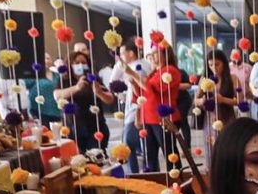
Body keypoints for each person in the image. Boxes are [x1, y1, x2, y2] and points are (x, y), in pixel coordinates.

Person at [128, 43, 182, 172]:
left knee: (170, 154)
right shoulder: (154, 72)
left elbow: (153, 90)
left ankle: (177, 181)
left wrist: (134, 75)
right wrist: (138, 116)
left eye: (155, 53)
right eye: (150, 54)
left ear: (166, 54)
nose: (151, 56)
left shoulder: (170, 71)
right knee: (149, 155)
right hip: (148, 118)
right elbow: (141, 95)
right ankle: (153, 182)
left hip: (163, 119)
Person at [53, 51, 114, 152]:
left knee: (96, 159)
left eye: (83, 62)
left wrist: (100, 93)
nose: (80, 65)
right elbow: (57, 95)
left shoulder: (93, 78)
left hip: (95, 128)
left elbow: (110, 99)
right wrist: (76, 88)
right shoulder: (64, 79)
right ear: (70, 64)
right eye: (77, 63)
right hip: (72, 128)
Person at [108, 44, 151, 174]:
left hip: (135, 110)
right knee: (140, 145)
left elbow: (142, 92)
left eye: (122, 53)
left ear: (131, 53)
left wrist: (138, 112)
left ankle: (135, 174)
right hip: (133, 108)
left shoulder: (138, 68)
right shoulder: (138, 65)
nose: (120, 57)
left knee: (129, 143)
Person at [196, 49, 238, 145]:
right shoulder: (205, 79)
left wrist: (223, 99)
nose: (214, 68)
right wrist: (202, 101)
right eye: (210, 65)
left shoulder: (233, 78)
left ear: (224, 63)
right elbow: (195, 100)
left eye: (217, 64)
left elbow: (239, 100)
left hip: (227, 117)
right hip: (210, 118)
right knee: (212, 148)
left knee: (228, 146)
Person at [23, 52, 60, 126]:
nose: (46, 61)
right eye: (44, 58)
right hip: (39, 112)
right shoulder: (34, 75)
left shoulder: (57, 75)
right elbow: (23, 86)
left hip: (56, 112)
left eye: (48, 58)